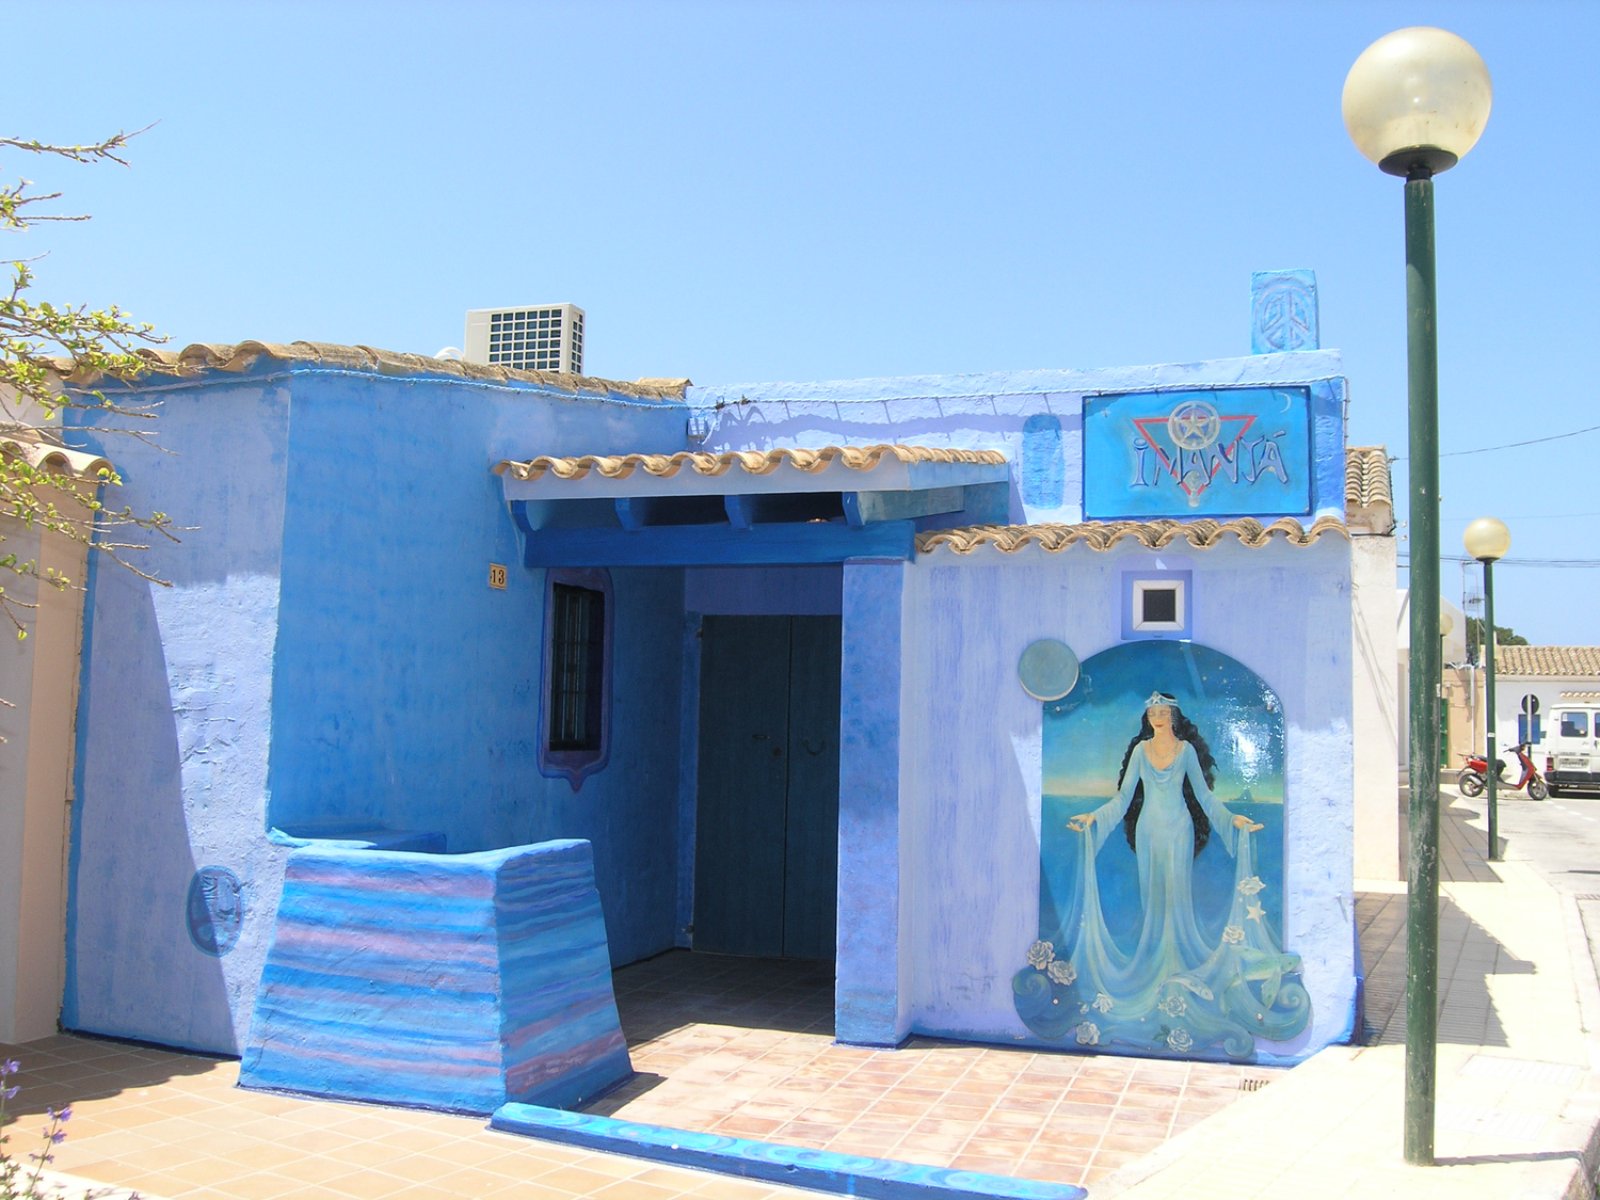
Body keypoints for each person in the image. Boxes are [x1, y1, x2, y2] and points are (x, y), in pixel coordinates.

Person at [1067, 691, 1260, 968]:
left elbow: (1204, 796)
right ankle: (1155, 961)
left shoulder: (1186, 750)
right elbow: (1123, 798)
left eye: (1163, 712)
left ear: (1173, 716)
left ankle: (1178, 961)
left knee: (1177, 895)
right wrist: (1094, 817)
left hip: (1179, 829)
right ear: (1147, 717)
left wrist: (1231, 820)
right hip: (1148, 831)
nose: (1157, 717)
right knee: (1151, 896)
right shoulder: (1140, 750)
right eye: (1152, 712)